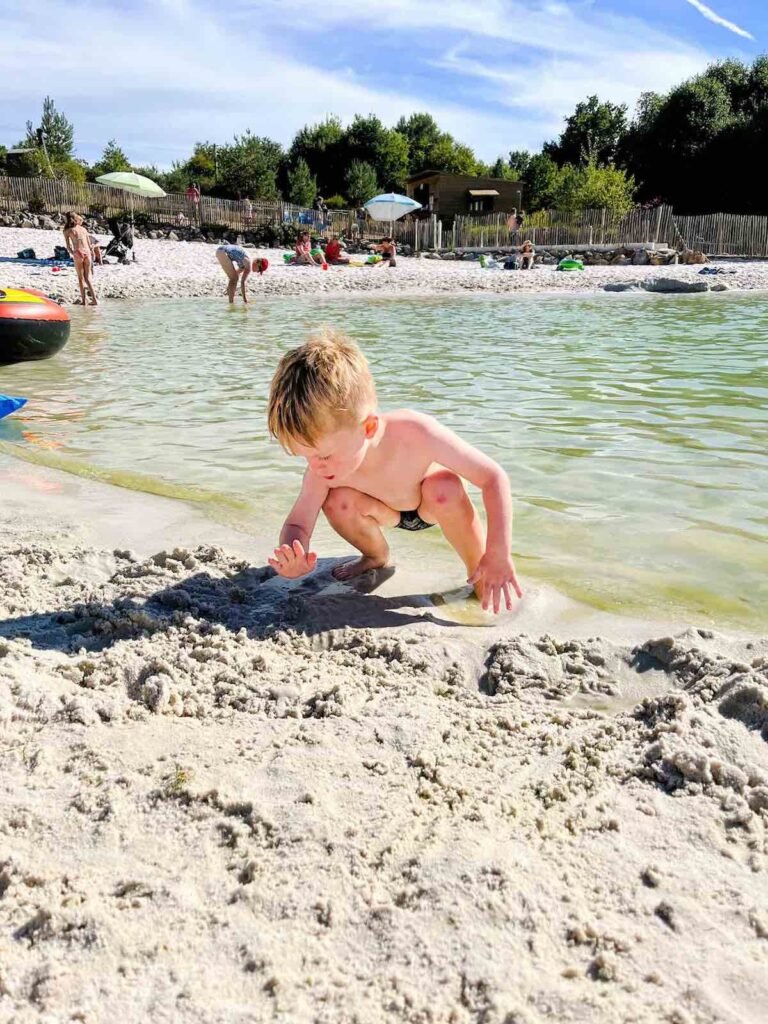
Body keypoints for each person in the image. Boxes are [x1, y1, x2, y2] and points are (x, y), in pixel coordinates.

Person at [266, 331, 522, 613]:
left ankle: (481, 575)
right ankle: (376, 557)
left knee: (444, 488)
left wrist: (498, 551)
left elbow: (493, 478)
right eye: (306, 457)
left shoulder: (416, 433)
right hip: (378, 510)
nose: (315, 466)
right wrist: (292, 554)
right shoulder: (323, 467)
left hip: (427, 506)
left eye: (323, 455)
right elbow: (298, 524)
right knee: (337, 500)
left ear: (369, 428)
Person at [63, 212, 98, 305]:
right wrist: (92, 253)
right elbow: (89, 244)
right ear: (75, 218)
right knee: (87, 278)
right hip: (87, 253)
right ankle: (94, 299)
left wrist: (73, 253)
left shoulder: (67, 231)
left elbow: (68, 246)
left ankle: (84, 301)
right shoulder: (83, 229)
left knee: (80, 278)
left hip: (78, 253)